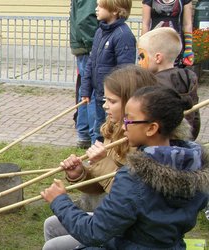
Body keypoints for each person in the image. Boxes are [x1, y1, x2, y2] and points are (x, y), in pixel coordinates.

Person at [41, 85, 209, 249]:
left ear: (151, 128)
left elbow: (94, 232)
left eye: (128, 120)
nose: (123, 126)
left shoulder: (134, 178)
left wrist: (59, 200)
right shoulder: (196, 166)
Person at [42, 66, 160, 250]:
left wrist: (105, 160)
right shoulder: (114, 130)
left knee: (54, 246)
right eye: (105, 99)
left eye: (112, 101)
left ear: (133, 103)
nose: (105, 106)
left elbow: (125, 194)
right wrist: (79, 174)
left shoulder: (146, 144)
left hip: (129, 232)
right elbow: (99, 187)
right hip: (115, 222)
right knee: (52, 225)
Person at [79, 0, 136, 144]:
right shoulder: (100, 31)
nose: (96, 9)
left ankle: (109, 160)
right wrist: (85, 90)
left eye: (100, 6)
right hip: (99, 95)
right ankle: (96, 161)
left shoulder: (123, 35)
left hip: (112, 99)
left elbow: (125, 71)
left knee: (112, 131)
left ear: (115, 10)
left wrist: (118, 97)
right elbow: (91, 63)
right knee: (98, 129)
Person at [138, 27, 200, 140]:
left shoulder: (155, 84)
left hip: (163, 142)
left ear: (158, 58)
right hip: (187, 138)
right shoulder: (188, 78)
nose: (139, 62)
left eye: (141, 56)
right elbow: (195, 116)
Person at [70, 0, 99, 149]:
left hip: (83, 45)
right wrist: (95, 43)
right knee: (92, 92)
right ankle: (94, 137)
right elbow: (86, 19)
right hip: (88, 46)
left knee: (85, 90)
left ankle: (84, 134)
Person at [142, 0, 194, 67]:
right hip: (155, 44)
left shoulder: (184, 1)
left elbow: (187, 24)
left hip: (176, 43)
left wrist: (188, 49)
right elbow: (145, 24)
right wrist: (143, 48)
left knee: (175, 72)